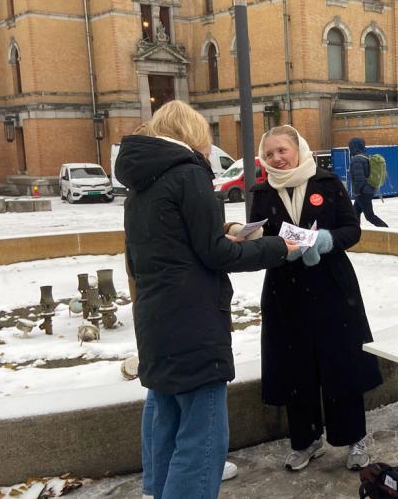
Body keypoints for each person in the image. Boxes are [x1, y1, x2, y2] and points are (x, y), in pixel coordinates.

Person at [116, 100, 297, 499]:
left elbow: (146, 253)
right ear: (192, 136)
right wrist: (276, 247)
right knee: (203, 433)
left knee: (165, 414)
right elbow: (216, 255)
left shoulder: (141, 182)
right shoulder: (188, 175)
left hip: (155, 316)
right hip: (193, 319)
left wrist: (221, 236)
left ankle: (158, 491)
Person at [251, 125, 383, 472]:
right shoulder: (261, 192)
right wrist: (274, 248)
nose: (277, 158)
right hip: (285, 290)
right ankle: (306, 440)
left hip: (332, 288)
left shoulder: (326, 183)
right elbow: (258, 237)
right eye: (270, 154)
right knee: (296, 367)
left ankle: (356, 436)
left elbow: (351, 229)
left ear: (298, 148)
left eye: (282, 150)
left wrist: (324, 240)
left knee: (341, 363)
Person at [349, 137, 389, 227]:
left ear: (354, 147)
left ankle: (387, 230)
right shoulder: (365, 156)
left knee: (370, 216)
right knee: (355, 213)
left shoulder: (357, 160)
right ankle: (356, 233)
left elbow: (359, 179)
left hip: (363, 192)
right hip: (367, 190)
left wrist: (357, 192)